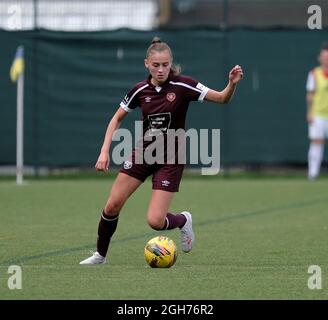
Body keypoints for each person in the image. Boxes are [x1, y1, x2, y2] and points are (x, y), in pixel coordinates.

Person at [79, 37, 243, 264]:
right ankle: (100, 255)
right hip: (144, 153)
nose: (161, 69)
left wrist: (232, 84)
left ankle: (183, 220)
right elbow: (116, 118)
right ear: (147, 63)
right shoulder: (139, 90)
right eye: (156, 65)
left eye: (165, 65)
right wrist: (104, 151)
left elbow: (223, 98)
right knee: (112, 205)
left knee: (155, 221)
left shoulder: (183, 85)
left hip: (171, 159)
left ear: (171, 63)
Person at [306, 42, 328, 180]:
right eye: (324, 56)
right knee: (316, 143)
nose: (327, 59)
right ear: (320, 58)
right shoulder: (314, 74)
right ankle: (313, 174)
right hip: (318, 114)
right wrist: (309, 112)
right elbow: (310, 94)